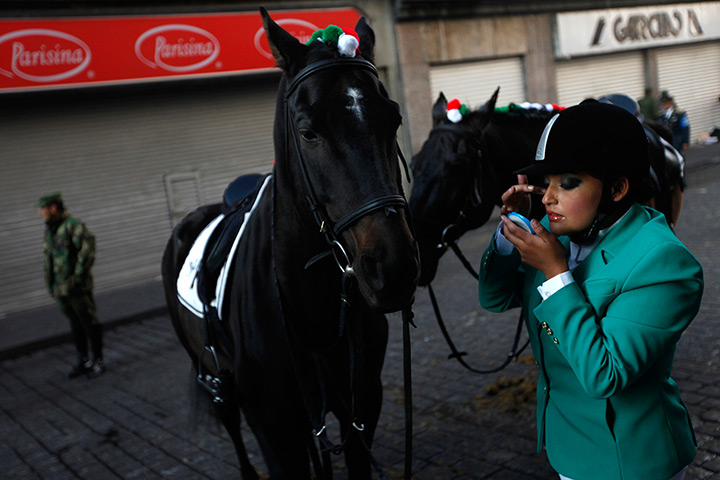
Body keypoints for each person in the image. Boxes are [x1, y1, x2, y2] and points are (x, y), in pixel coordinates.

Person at [477, 101, 703, 480]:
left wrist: (555, 273)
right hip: (569, 447)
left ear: (617, 188)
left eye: (567, 183)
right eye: (546, 182)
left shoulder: (664, 261)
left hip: (629, 459)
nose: (548, 197)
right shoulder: (562, 237)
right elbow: (495, 298)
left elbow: (605, 375)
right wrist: (508, 234)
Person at [37, 192, 105, 379]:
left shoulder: (72, 226)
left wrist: (77, 277)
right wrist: (50, 284)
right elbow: (48, 259)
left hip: (76, 287)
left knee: (89, 322)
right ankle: (82, 360)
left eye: (42, 209)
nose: (40, 213)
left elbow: (88, 248)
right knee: (75, 324)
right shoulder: (51, 230)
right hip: (60, 289)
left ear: (53, 208)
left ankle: (98, 360)